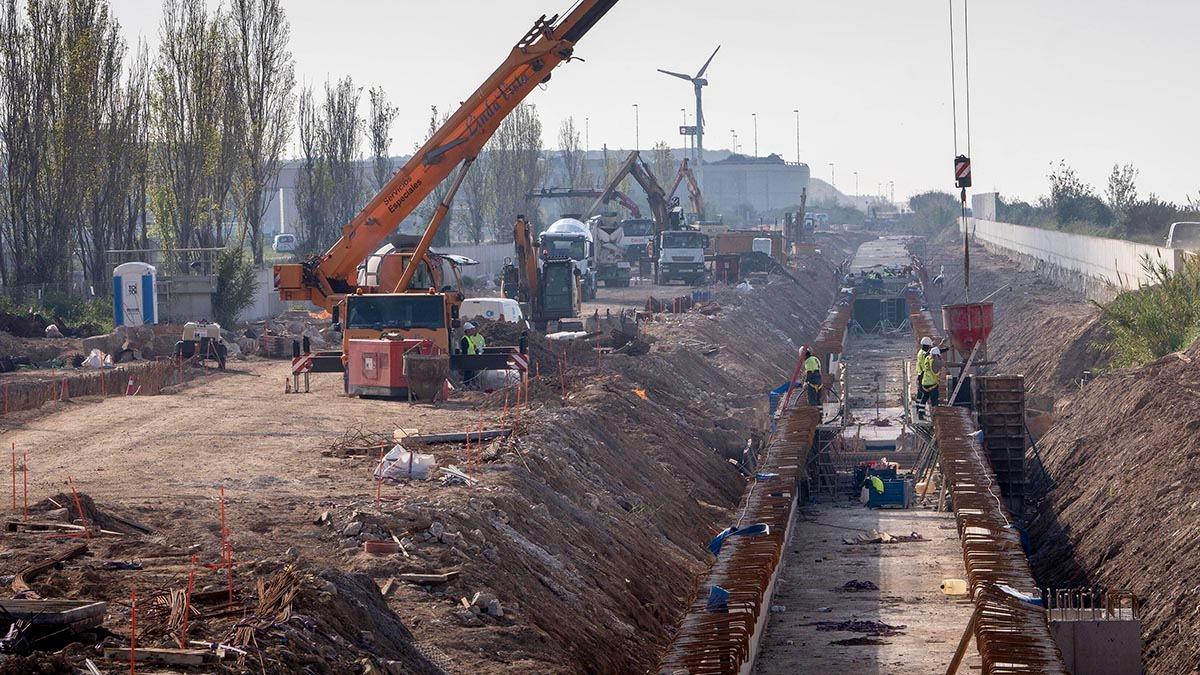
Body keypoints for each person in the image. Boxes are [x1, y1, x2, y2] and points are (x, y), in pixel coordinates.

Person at [459, 322, 486, 387]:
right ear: (468, 330)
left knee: (471, 375)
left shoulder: (469, 338)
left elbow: (472, 349)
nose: (473, 331)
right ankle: (466, 387)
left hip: (471, 360)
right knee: (468, 376)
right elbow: (464, 352)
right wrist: (465, 361)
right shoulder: (465, 339)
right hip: (468, 361)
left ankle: (469, 387)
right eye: (471, 329)